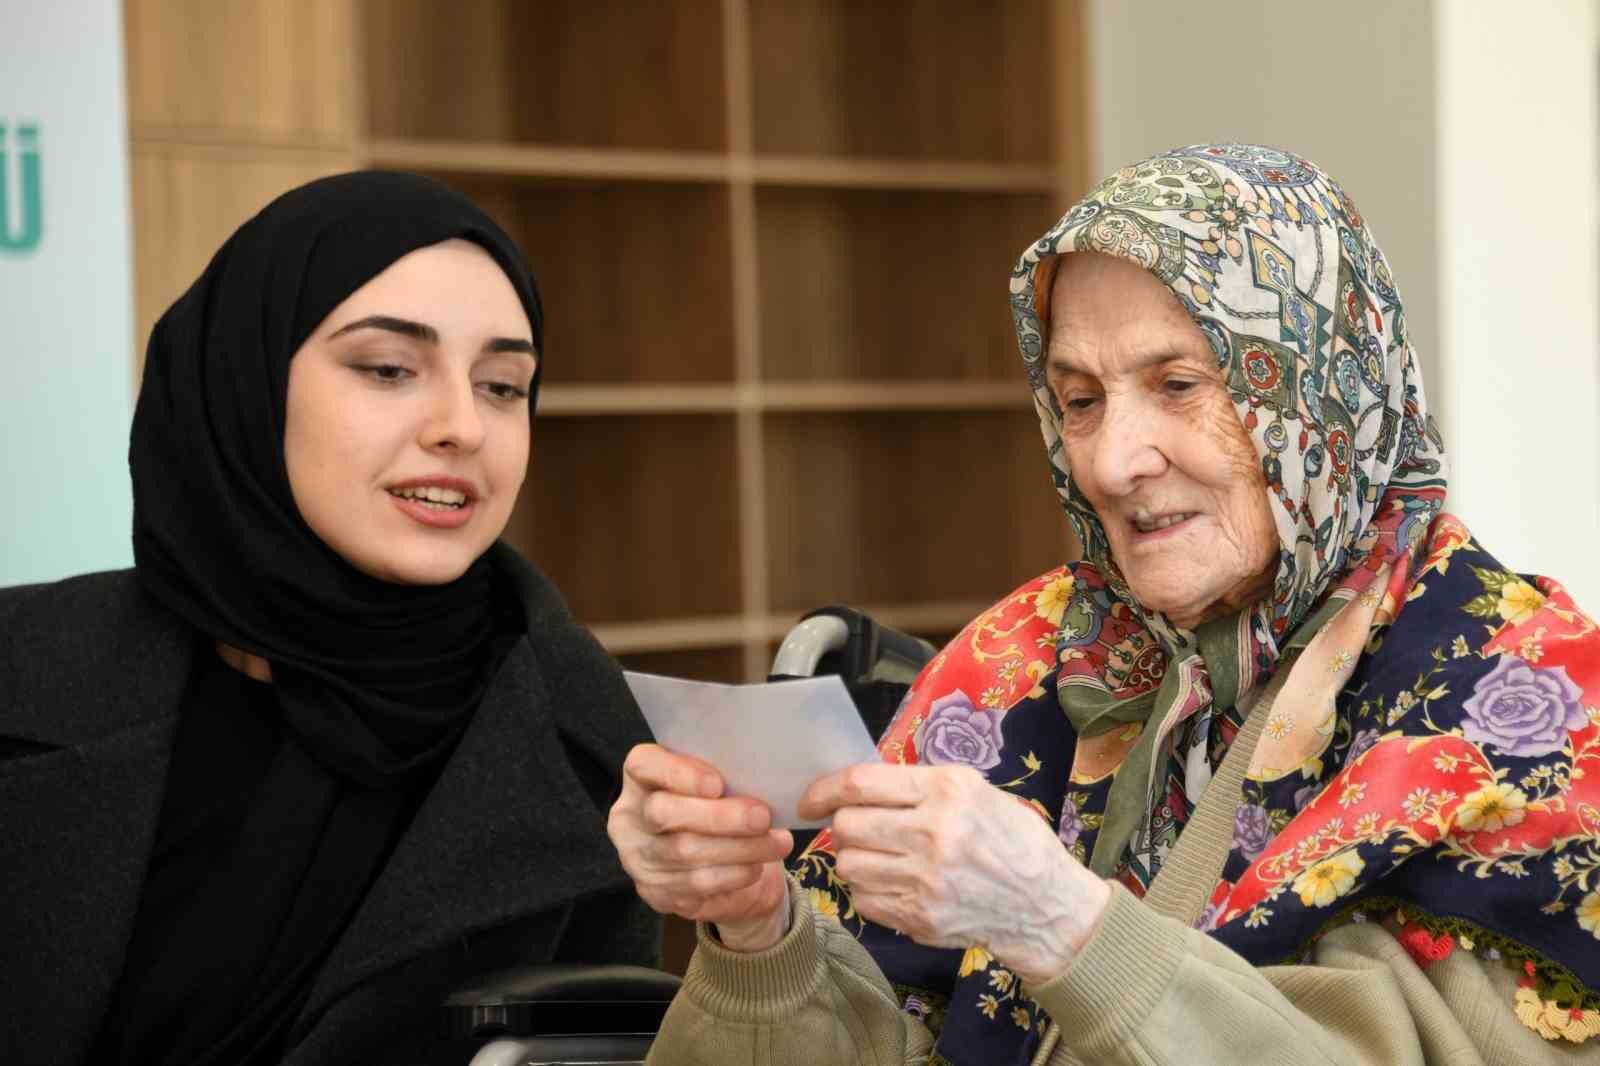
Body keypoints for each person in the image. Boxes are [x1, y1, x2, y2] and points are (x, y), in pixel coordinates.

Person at [608, 144, 1600, 1064]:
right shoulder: (1030, 654)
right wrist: (759, 932)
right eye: (1080, 401)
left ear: (1318, 393)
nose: (1112, 463)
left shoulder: (1524, 701)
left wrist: (1055, 921)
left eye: (1179, 384)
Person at [0, 171, 657, 1066]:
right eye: (389, 369)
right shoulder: (23, 669)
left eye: (503, 385)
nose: (463, 426)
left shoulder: (584, 736)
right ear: (247, 381)